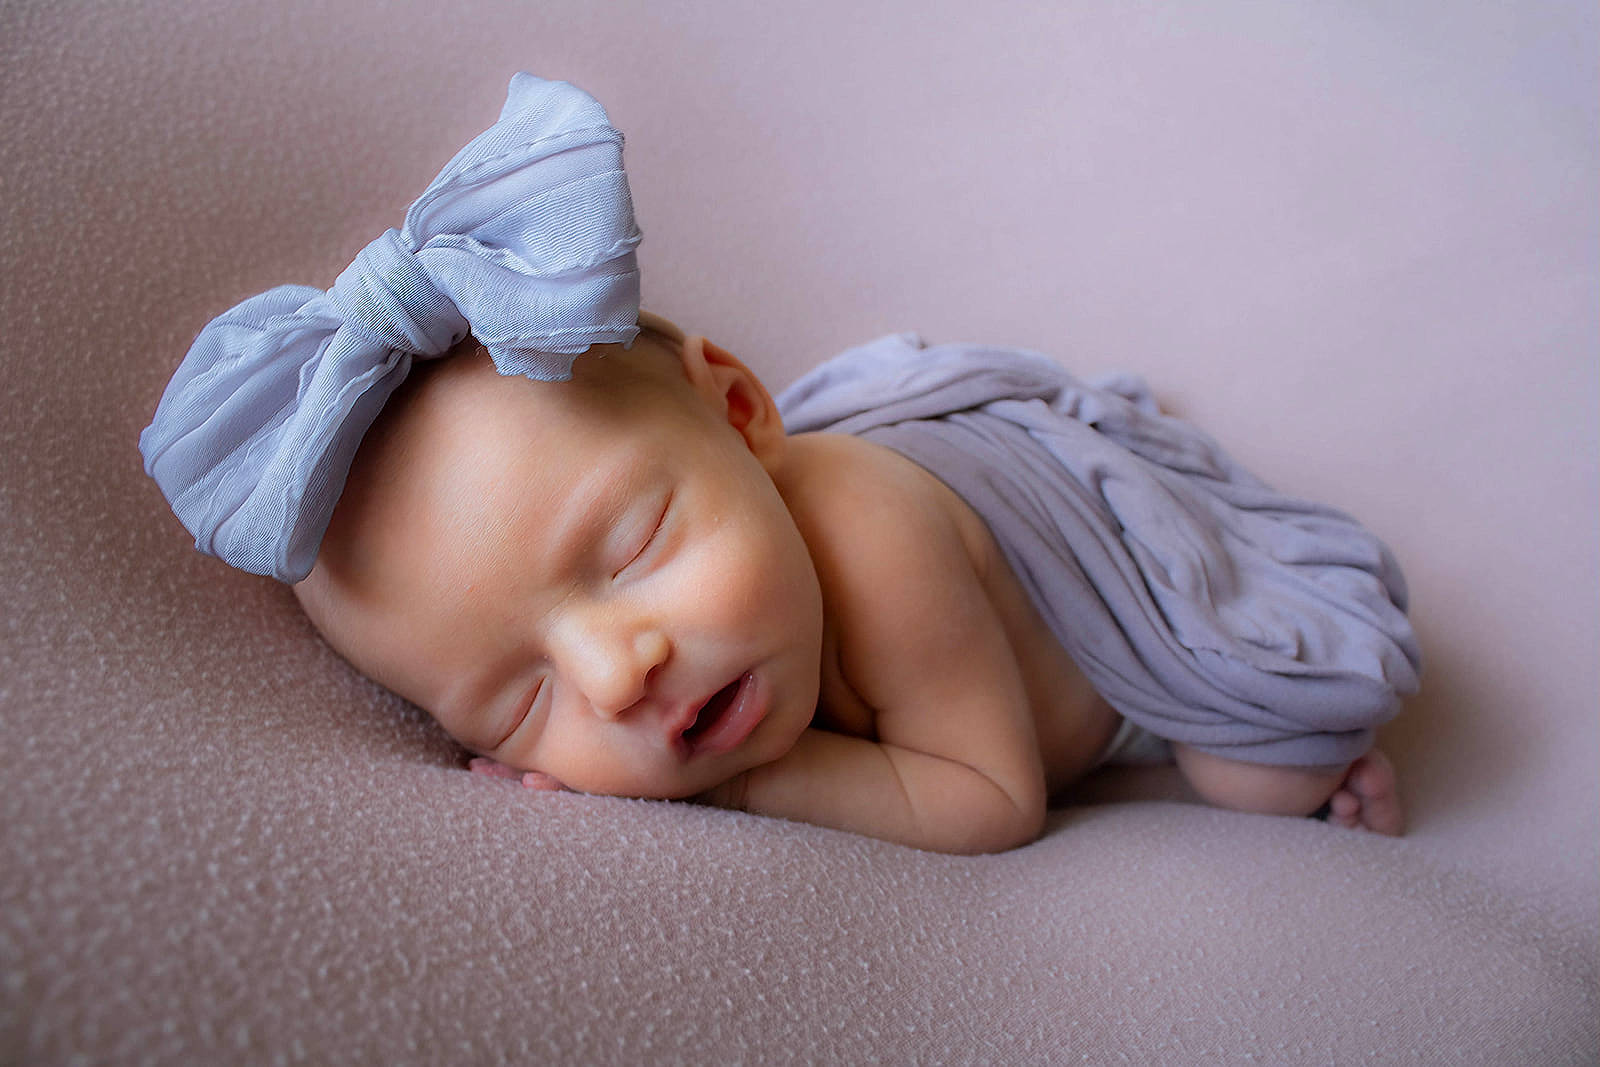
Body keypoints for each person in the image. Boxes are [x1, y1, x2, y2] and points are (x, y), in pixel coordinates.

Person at [141, 74, 1420, 854]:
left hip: (1079, 645)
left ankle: (1274, 745)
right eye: (517, 703)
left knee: (1259, 769)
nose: (613, 671)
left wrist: (748, 782)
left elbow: (986, 798)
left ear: (745, 409)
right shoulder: (682, 627)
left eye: (633, 548)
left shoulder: (872, 537)